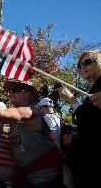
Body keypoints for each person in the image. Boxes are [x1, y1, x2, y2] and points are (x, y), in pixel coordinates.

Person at [0, 73, 63, 188]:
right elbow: (0, 132)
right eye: (9, 90)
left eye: (16, 89)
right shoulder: (11, 122)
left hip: (45, 176)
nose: (10, 93)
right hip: (25, 177)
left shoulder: (31, 112)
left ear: (28, 94)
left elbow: (0, 114)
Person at [57, 49, 101, 187]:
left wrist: (71, 100)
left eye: (87, 62)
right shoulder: (94, 88)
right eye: (80, 65)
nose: (82, 67)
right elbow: (91, 122)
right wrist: (75, 137)